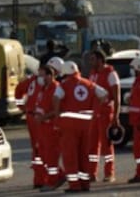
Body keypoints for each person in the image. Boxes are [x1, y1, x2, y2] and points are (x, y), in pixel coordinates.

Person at [54, 61, 108, 193]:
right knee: (84, 155)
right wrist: (94, 108)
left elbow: (56, 97)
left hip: (69, 124)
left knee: (70, 156)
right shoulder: (89, 83)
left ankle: (74, 185)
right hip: (86, 124)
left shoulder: (64, 85)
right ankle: (85, 183)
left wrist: (57, 114)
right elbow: (104, 94)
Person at [87, 50, 121, 183]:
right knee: (92, 146)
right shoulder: (92, 74)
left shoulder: (111, 73)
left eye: (93, 59)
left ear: (100, 60)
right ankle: (91, 173)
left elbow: (116, 96)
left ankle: (109, 173)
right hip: (94, 114)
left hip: (106, 113)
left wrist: (116, 117)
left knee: (107, 145)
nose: (91, 62)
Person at [34, 60, 66, 192]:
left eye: (42, 75)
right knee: (43, 155)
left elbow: (58, 109)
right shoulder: (43, 89)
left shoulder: (56, 89)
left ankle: (53, 181)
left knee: (51, 156)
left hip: (51, 127)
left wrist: (44, 117)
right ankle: (59, 176)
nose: (40, 78)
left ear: (49, 75)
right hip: (42, 128)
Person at [15, 67, 46, 189]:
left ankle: (39, 179)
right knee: (43, 148)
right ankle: (45, 178)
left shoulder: (31, 80)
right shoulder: (47, 83)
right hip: (39, 118)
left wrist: (22, 107)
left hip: (31, 116)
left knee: (37, 149)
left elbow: (18, 90)